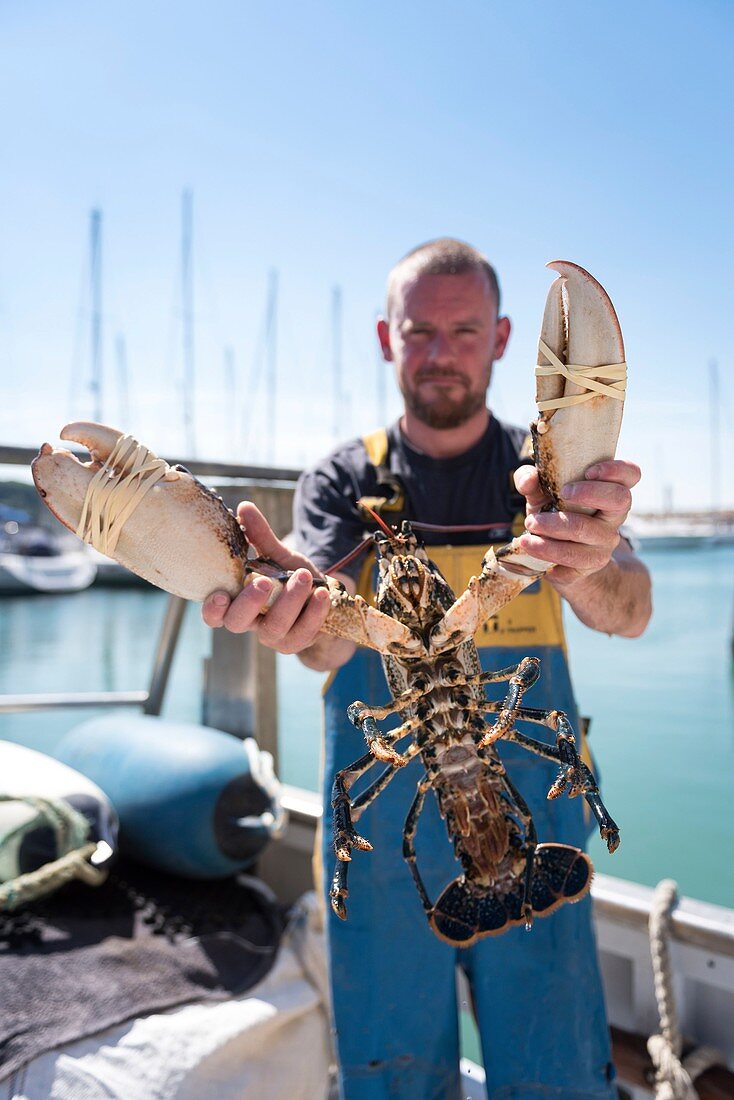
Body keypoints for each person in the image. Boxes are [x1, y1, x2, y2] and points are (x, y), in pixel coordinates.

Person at [203, 239, 652, 1100]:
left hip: (534, 818)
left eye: (464, 329)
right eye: (421, 332)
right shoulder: (346, 480)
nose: (442, 352)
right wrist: (297, 619)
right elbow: (331, 636)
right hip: (386, 855)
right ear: (387, 338)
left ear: (501, 337)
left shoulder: (548, 475)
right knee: (393, 1079)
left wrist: (589, 563)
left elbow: (633, 611)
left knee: (559, 1074)